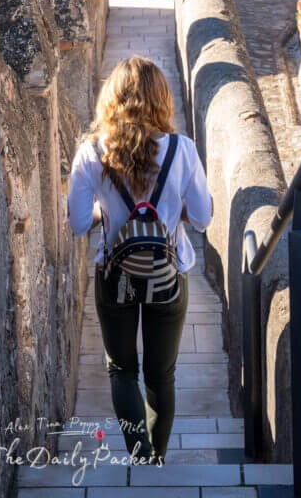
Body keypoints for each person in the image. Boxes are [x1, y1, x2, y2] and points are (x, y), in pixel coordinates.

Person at [67, 55, 213, 466]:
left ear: (110, 99)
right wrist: (169, 212)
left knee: (122, 370)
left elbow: (79, 224)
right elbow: (202, 218)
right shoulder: (182, 150)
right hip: (168, 275)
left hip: (116, 277)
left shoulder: (91, 153)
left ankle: (139, 458)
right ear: (161, 98)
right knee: (161, 373)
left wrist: (108, 215)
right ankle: (158, 460)